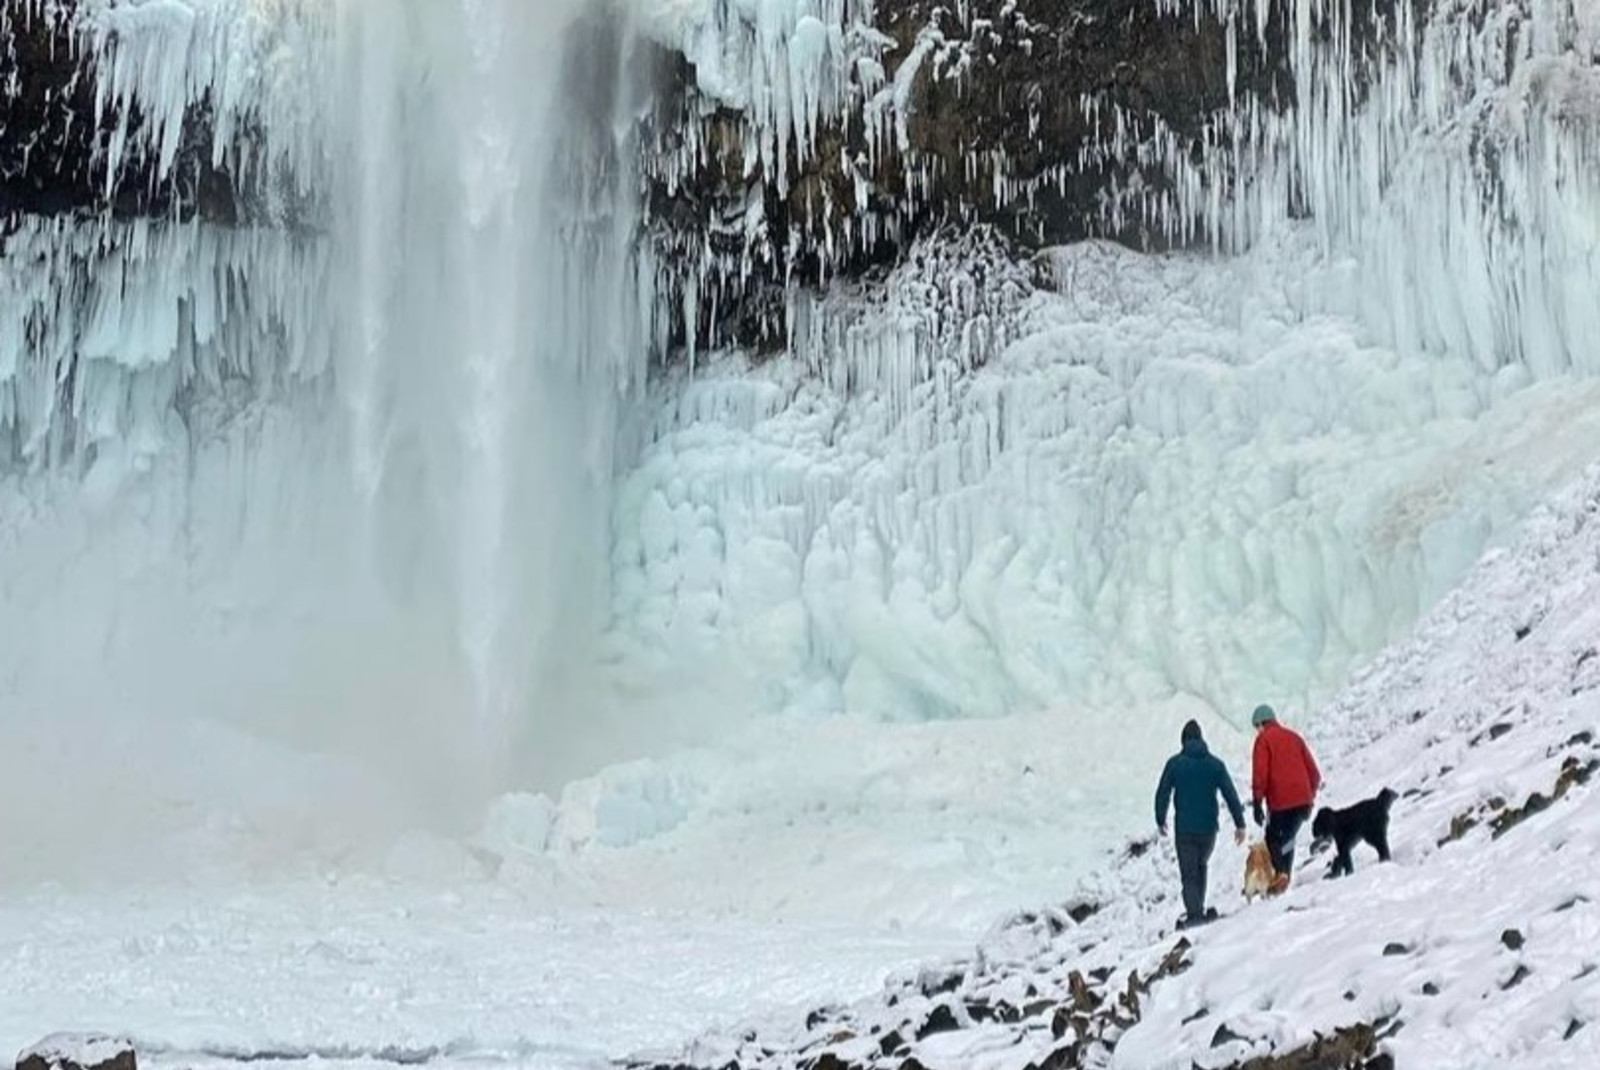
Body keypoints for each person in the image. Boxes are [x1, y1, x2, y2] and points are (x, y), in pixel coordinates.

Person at [1155, 719, 1247, 929]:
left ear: (1184, 740)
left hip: (1185, 829)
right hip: (1208, 830)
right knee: (1201, 866)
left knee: (1189, 874)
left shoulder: (1175, 764)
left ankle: (1195, 915)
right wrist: (1239, 823)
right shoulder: (1215, 764)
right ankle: (1198, 910)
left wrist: (1160, 819)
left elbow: (1163, 793)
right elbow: (1230, 794)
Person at [1249, 703, 1322, 892]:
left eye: (1256, 727)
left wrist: (1257, 801)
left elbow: (1260, 773)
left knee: (1273, 837)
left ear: (1261, 723)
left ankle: (1282, 874)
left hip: (1281, 803)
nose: (1257, 731)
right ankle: (1283, 878)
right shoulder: (1294, 737)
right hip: (1304, 802)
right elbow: (1314, 774)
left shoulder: (1263, 740)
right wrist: (1309, 796)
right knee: (1288, 838)